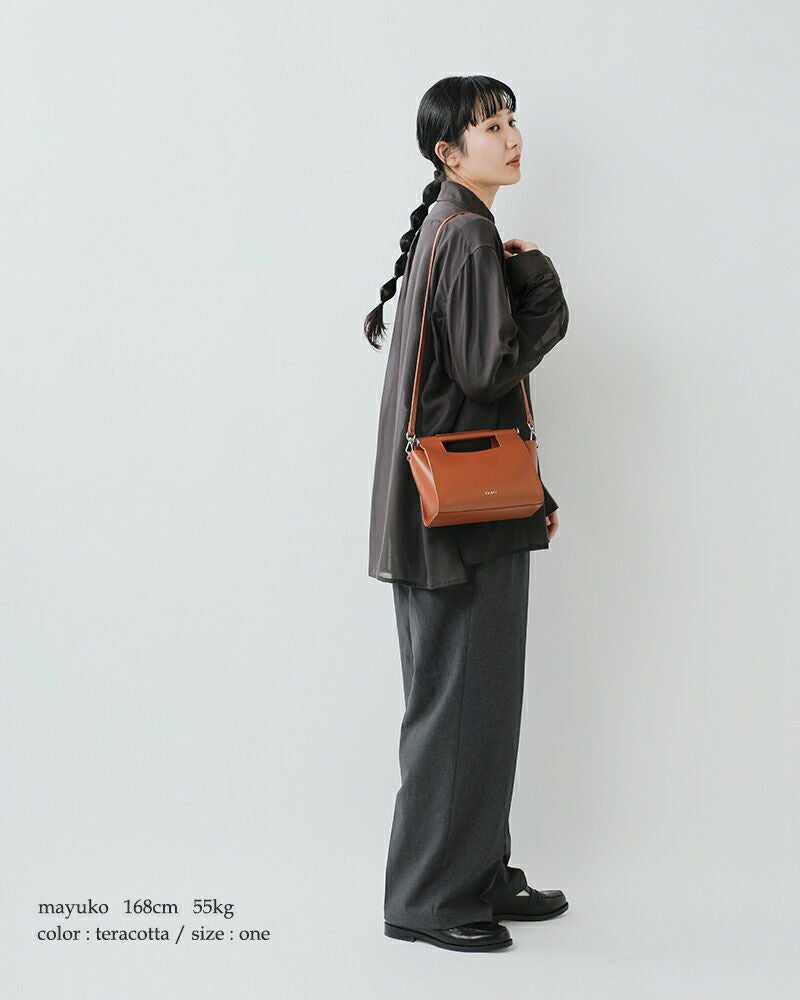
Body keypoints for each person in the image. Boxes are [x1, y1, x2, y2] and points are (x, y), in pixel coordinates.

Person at [364, 75, 570, 953]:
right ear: (449, 153)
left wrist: (534, 494)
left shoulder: (447, 228)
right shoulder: (470, 233)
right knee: (458, 707)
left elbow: (459, 391)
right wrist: (544, 293)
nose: (511, 136)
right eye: (492, 126)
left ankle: (476, 872)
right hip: (460, 523)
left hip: (451, 510)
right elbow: (489, 373)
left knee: (471, 702)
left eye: (512, 119)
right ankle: (428, 900)